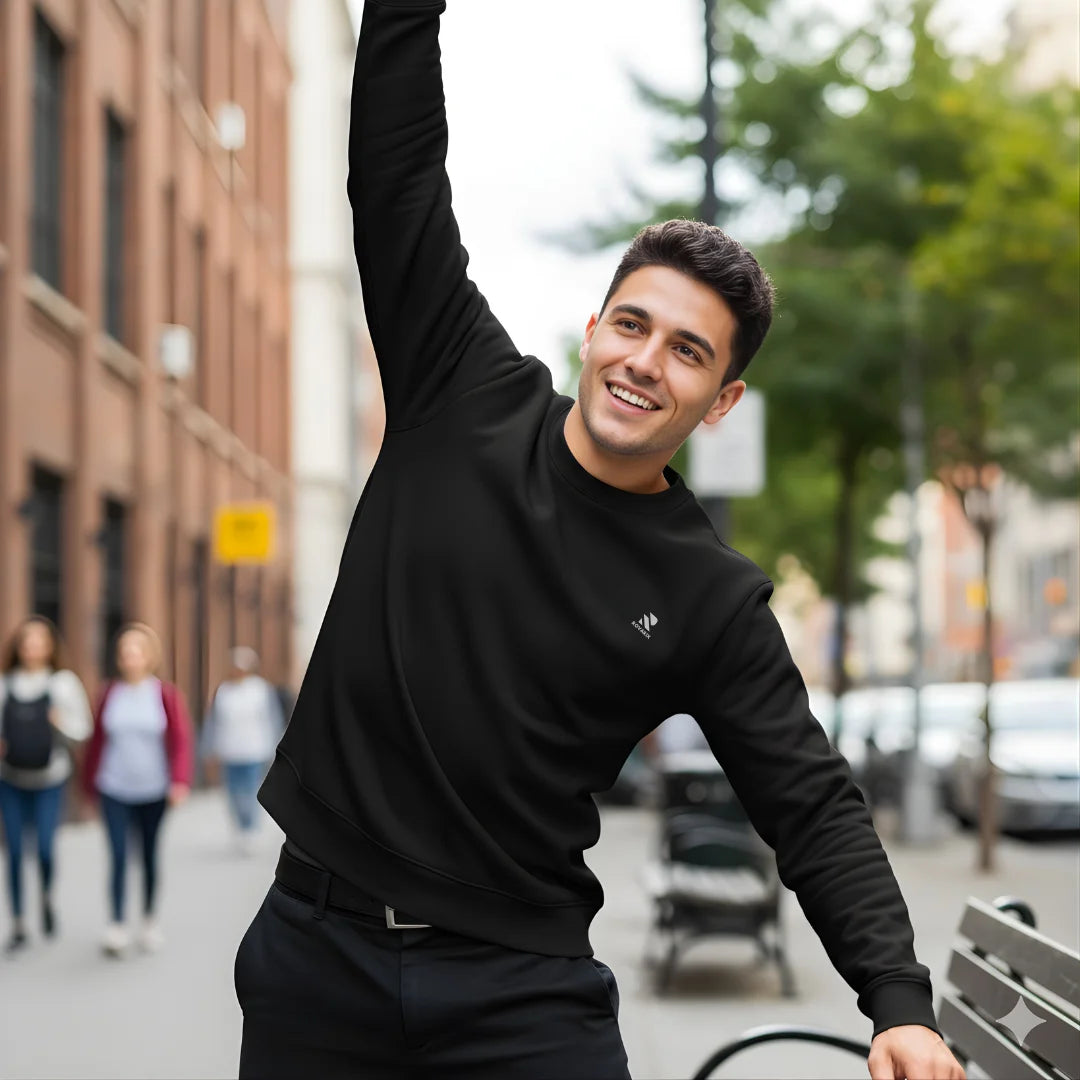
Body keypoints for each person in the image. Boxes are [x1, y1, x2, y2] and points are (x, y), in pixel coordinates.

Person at [234, 5, 964, 1080]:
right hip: (315, 952)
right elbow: (396, 182)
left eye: (687, 352)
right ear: (593, 329)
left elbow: (809, 801)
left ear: (719, 402)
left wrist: (897, 1002)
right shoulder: (460, 388)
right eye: (632, 324)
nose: (644, 361)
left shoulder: (708, 595)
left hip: (518, 992)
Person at [83, 623, 193, 957]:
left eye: (137, 650)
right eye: (125, 651)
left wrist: (179, 781)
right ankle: (116, 924)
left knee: (147, 854)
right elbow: (96, 742)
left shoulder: (165, 695)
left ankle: (148, 919)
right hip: (114, 787)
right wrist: (88, 786)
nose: (130, 657)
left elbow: (180, 742)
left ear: (149, 657)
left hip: (154, 789)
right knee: (117, 855)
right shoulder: (108, 694)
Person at [0, 616, 91, 954]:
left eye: (39, 641)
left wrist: (60, 722)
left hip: (50, 778)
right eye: (26, 641)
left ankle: (47, 896)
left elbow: (83, 731)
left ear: (51, 646)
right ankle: (19, 921)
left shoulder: (63, 683)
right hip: (10, 779)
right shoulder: (5, 683)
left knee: (44, 848)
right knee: (12, 851)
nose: (32, 647)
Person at [202, 647, 284, 854]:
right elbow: (214, 721)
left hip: (254, 749)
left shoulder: (261, 690)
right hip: (229, 749)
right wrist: (209, 747)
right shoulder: (224, 691)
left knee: (249, 790)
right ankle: (240, 825)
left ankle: (250, 827)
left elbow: (272, 720)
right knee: (232, 791)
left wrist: (276, 747)